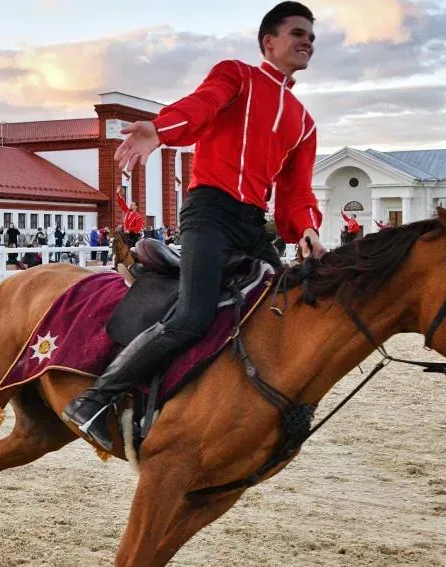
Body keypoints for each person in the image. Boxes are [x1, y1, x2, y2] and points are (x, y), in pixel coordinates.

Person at [62, 1, 326, 449]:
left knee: (289, 310)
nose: (307, 42)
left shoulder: (304, 123)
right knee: (193, 314)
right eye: (298, 33)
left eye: (312, 38)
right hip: (209, 214)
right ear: (269, 42)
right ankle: (94, 399)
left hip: (251, 224)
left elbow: (297, 192)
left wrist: (308, 228)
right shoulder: (236, 75)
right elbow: (201, 108)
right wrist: (161, 130)